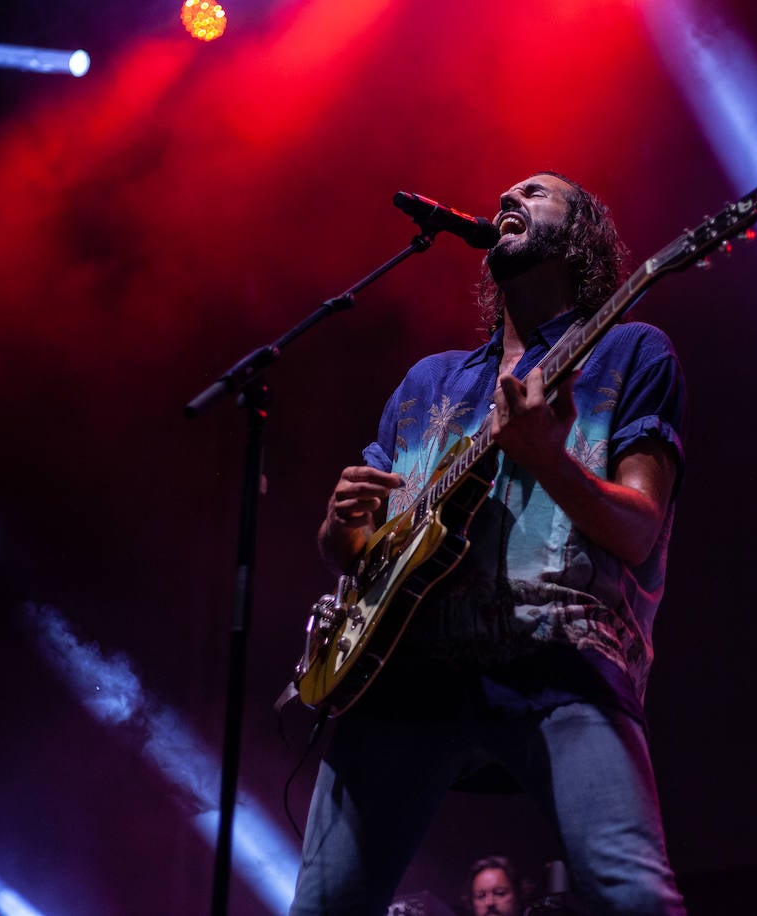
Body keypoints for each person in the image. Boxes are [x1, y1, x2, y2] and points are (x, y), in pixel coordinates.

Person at [291, 172, 688, 914]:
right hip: (405, 673)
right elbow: (355, 553)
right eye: (506, 192)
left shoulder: (630, 351)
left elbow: (638, 530)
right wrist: (340, 525)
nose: (510, 196)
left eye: (537, 193)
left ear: (579, 236)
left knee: (630, 897)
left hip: (559, 654)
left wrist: (548, 460)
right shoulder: (425, 384)